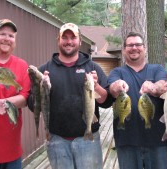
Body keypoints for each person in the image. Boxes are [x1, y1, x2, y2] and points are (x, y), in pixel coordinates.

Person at [28, 23, 113, 169]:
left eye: (73, 37)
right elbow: (32, 105)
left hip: (88, 140)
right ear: (58, 40)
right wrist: (41, 88)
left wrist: (97, 86)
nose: (69, 41)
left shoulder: (92, 67)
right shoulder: (44, 70)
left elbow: (106, 102)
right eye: (65, 37)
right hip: (56, 141)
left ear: (79, 41)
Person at [108, 32, 167, 169]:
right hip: (127, 141)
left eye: (138, 44)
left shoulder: (157, 69)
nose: (134, 48)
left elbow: (163, 86)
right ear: (124, 50)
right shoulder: (117, 72)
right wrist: (117, 85)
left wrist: (152, 87)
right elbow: (112, 88)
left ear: (145, 48)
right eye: (130, 45)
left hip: (157, 141)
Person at [0, 19, 31, 169]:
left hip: (12, 149)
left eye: (11, 36)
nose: (7, 38)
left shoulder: (22, 65)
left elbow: (25, 97)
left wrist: (7, 102)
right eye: (2, 33)